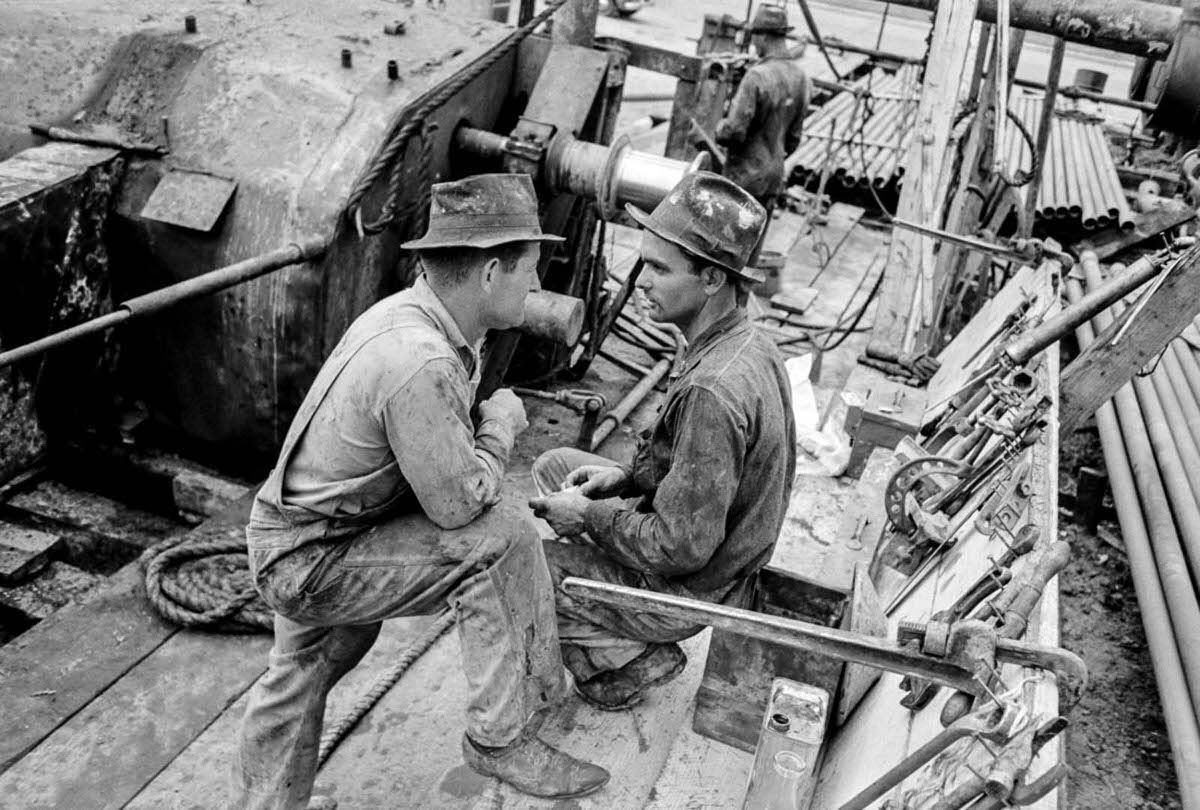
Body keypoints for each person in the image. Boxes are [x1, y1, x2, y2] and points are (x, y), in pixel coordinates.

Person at [232, 174, 610, 810]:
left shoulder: (411, 317)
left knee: (303, 670)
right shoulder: (422, 359)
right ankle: (503, 740)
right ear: (491, 272)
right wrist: (498, 427)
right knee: (503, 536)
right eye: (530, 272)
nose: (537, 290)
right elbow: (460, 507)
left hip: (306, 528)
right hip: (314, 554)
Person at [529, 171, 797, 711]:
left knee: (520, 565)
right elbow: (699, 469)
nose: (641, 281)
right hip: (719, 555)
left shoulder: (711, 392)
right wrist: (626, 479)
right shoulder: (745, 341)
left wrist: (587, 518)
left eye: (658, 267)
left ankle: (623, 661)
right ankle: (621, 641)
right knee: (559, 466)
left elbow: (680, 547)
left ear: (713, 279)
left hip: (691, 590)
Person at [710, 3, 811, 261]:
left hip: (743, 181)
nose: (753, 43)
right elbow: (794, 139)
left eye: (754, 36)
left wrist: (718, 128)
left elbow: (733, 132)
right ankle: (740, 298)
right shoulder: (801, 78)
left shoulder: (757, 76)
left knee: (724, 253)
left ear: (763, 36)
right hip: (773, 178)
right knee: (749, 254)